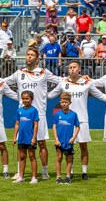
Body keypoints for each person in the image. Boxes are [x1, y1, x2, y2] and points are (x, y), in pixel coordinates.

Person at [5, 48, 62, 179]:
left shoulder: (43, 72)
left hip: (39, 114)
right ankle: (20, 172)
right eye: (27, 55)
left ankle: (44, 171)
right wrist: (16, 96)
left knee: (41, 143)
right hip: (23, 114)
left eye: (32, 55)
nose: (29, 57)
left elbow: (60, 81)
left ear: (37, 59)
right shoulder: (19, 73)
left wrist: (50, 95)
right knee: (21, 145)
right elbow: (3, 82)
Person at [47, 60, 106, 180]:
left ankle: (84, 172)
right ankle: (71, 172)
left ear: (79, 69)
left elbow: (101, 96)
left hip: (82, 120)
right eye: (70, 67)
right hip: (67, 120)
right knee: (69, 147)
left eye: (74, 67)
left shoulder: (87, 83)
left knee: (83, 147)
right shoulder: (63, 83)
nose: (72, 69)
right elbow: (50, 95)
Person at [52, 92, 81, 184]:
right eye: (62, 102)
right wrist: (56, 139)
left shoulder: (73, 114)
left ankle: (68, 176)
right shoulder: (57, 114)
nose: (64, 104)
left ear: (70, 103)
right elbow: (54, 126)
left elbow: (78, 126)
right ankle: (58, 177)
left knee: (69, 159)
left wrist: (73, 138)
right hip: (59, 141)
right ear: (60, 103)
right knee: (59, 158)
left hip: (68, 141)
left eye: (66, 102)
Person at [13, 91, 39, 184]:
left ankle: (34, 177)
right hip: (21, 139)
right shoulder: (19, 110)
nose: (25, 100)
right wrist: (15, 137)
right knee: (22, 157)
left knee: (32, 157)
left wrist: (34, 137)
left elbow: (36, 124)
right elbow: (17, 124)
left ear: (31, 99)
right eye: (23, 98)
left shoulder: (34, 110)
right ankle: (21, 177)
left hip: (30, 138)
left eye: (27, 98)